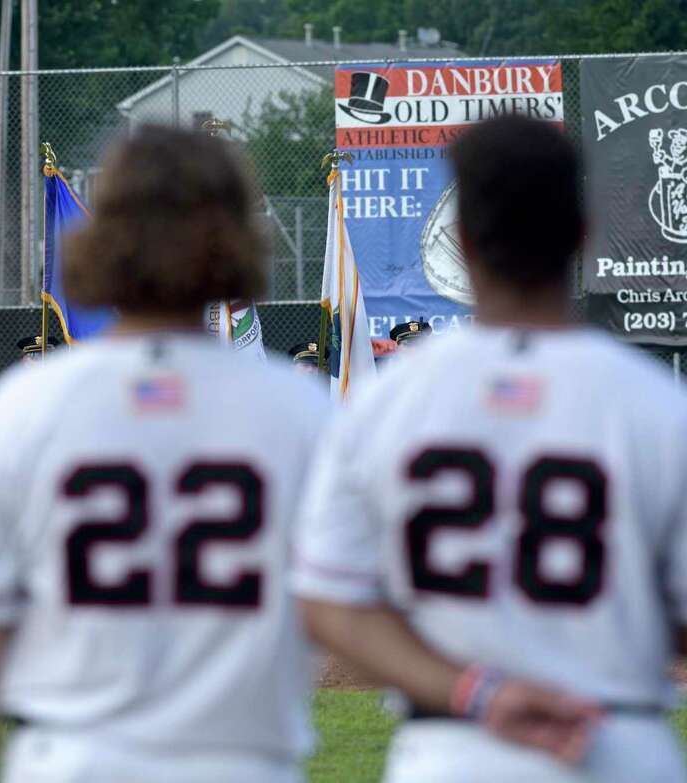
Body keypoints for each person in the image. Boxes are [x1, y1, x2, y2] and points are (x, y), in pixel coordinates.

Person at [0, 125, 330, 783]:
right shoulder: (299, 408)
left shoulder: (27, 403)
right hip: (237, 760)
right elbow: (343, 602)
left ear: (102, 239)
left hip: (73, 758)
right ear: (235, 241)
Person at [293, 114, 687, 782]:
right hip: (615, 742)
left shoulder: (387, 403)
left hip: (452, 751)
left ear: (462, 242)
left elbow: (330, 602)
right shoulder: (657, 405)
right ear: (583, 234)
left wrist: (478, 691)